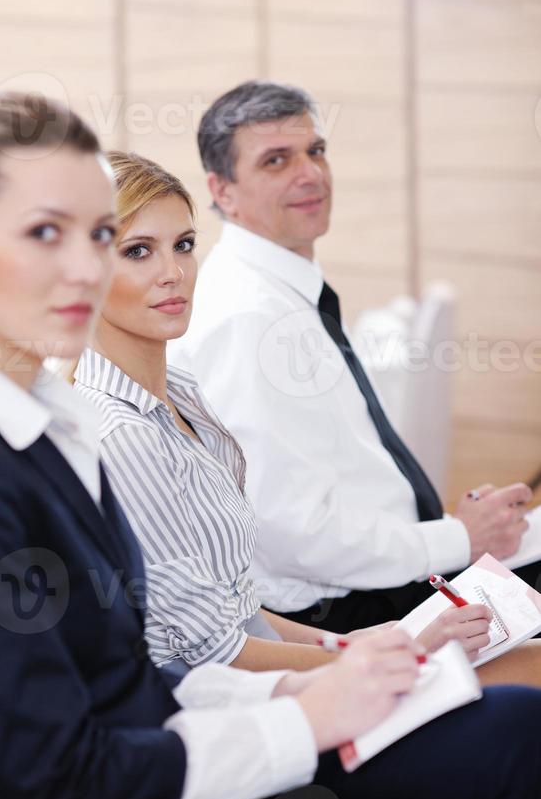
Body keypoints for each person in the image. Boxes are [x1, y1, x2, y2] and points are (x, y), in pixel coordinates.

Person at [0, 94, 541, 799]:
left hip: (156, 760)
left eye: (98, 235)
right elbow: (66, 781)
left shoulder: (36, 418)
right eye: (44, 235)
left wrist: (304, 688)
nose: (83, 267)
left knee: (513, 731)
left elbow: (137, 671)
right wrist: (306, 716)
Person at [73, 150, 510, 680]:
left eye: (183, 246)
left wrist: (350, 644)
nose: (174, 273)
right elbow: (216, 654)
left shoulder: (181, 394)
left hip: (288, 667)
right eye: (138, 251)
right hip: (238, 713)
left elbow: (237, 611)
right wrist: (396, 654)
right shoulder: (121, 434)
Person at [168, 79, 539, 633]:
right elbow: (287, 528)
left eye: (315, 151)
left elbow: (341, 479)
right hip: (357, 613)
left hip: (397, 573)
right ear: (223, 191)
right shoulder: (245, 316)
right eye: (277, 160)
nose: (310, 173)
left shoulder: (280, 289)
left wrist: (456, 526)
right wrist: (458, 538)